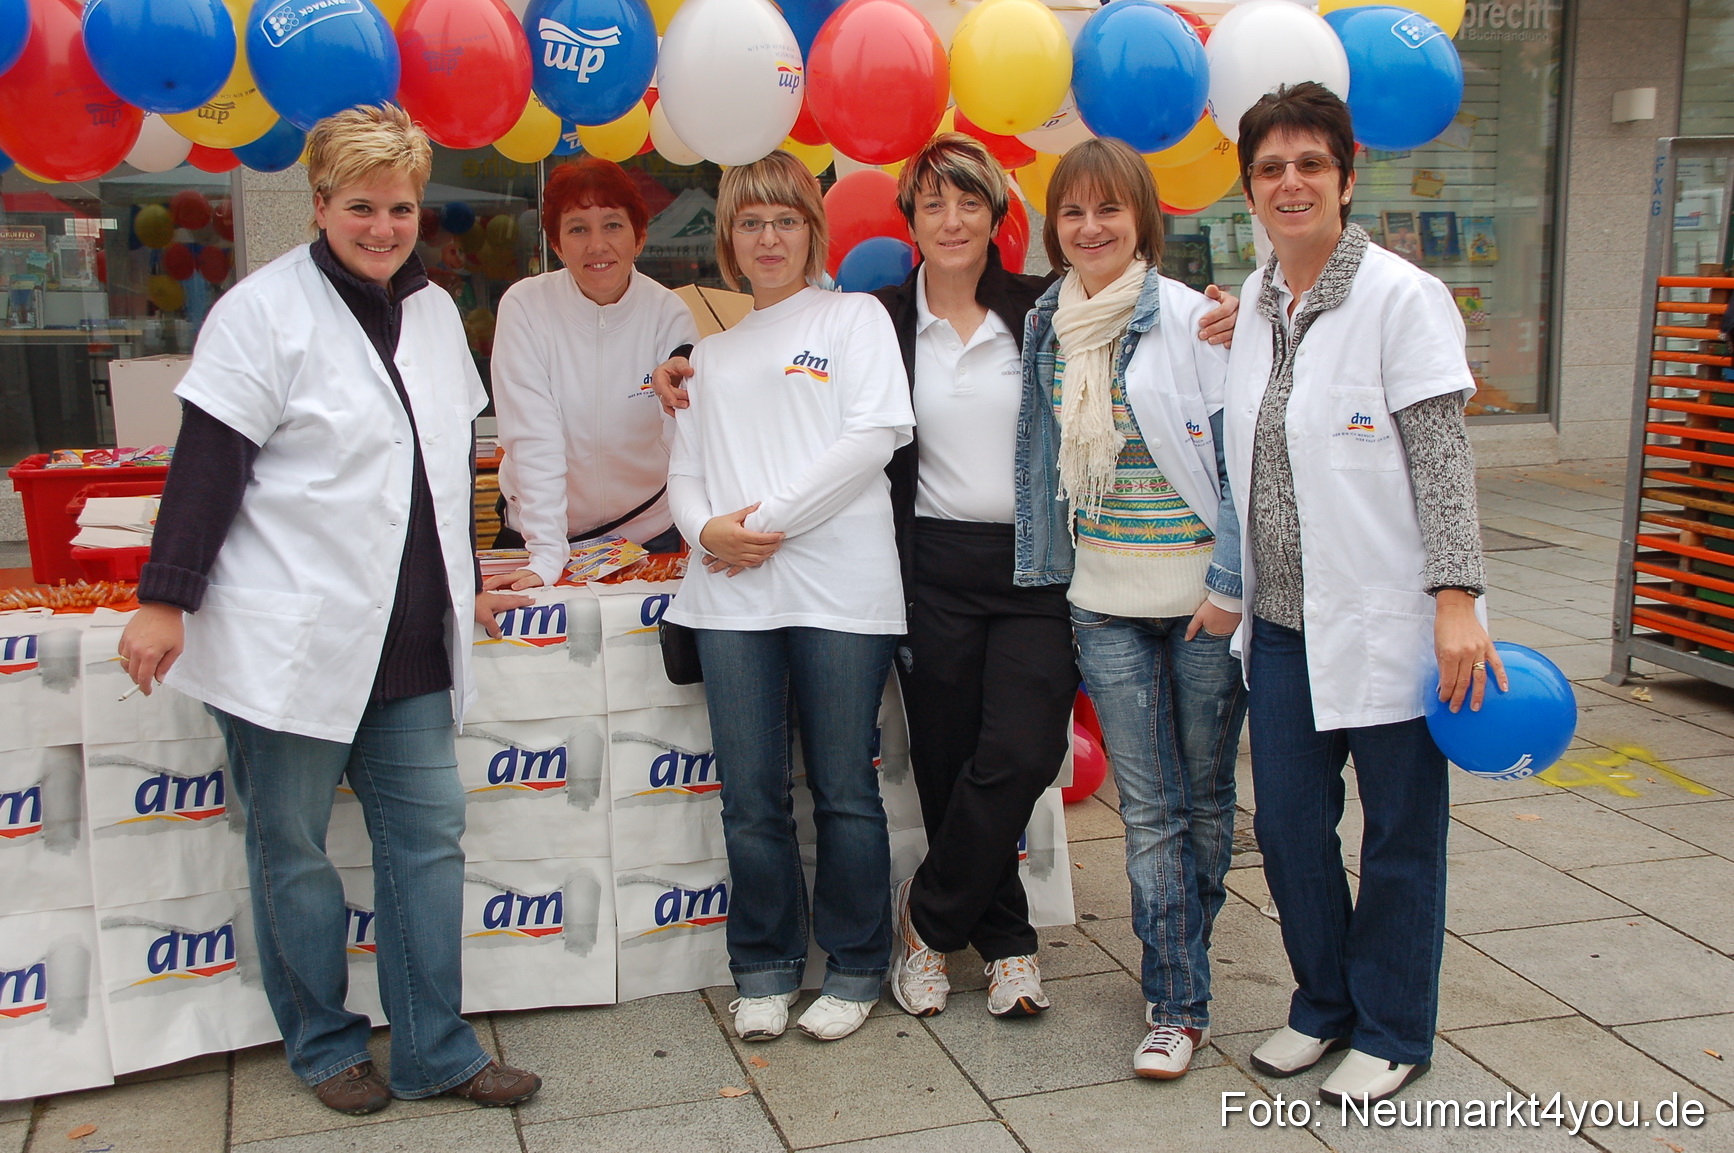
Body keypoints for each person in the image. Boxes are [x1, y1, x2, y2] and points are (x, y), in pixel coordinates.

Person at [651, 137, 1241, 1024]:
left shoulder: (1044, 310)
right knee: (945, 758)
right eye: (933, 205)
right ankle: (1005, 946)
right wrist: (683, 367)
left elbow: (1138, 311)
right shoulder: (876, 317)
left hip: (1036, 564)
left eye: (970, 202)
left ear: (1000, 215)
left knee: (1022, 753)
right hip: (929, 564)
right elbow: (777, 366)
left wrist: (1231, 316)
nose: (953, 219)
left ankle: (925, 917)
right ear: (911, 222)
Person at [115, 105, 541, 1115]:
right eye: (361, 207)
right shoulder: (260, 313)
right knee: (293, 850)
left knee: (428, 842)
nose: (384, 226)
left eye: (399, 207)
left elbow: (444, 466)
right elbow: (207, 468)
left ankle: (436, 1045)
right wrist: (164, 601)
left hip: (408, 643)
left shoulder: (437, 313)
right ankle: (322, 1041)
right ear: (319, 204)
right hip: (288, 642)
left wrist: (478, 570)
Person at [1223, 82, 1504, 1105]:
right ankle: (1323, 1003)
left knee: (1398, 833)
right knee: (1294, 830)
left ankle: (1391, 1025)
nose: (1289, 183)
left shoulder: (1400, 296)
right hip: (1286, 627)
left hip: (1391, 618)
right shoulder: (1256, 307)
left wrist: (1457, 596)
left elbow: (1441, 459)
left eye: (1310, 164)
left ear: (1347, 176)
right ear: (1249, 189)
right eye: (1269, 168)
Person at [663, 150, 914, 1044]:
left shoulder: (854, 320)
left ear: (813, 229)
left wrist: (756, 524)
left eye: (785, 219)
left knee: (846, 786)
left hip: (842, 595)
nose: (768, 237)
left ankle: (853, 965)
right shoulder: (708, 356)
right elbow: (684, 472)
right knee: (752, 794)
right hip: (731, 602)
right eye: (750, 222)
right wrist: (703, 534)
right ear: (729, 238)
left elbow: (872, 437)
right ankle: (764, 965)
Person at [1015, 137, 1246, 1080]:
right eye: (1072, 212)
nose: (1091, 227)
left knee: (1207, 804)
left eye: (1109, 209)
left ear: (1142, 218)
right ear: (1055, 228)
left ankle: (1175, 936)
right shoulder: (1049, 324)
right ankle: (1176, 999)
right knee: (1150, 806)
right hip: (1103, 597)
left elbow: (1236, 470)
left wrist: (1230, 587)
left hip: (1199, 602)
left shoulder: (1197, 321)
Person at [485, 157, 701, 591]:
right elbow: (533, 437)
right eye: (578, 228)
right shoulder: (525, 307)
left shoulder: (667, 313)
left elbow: (687, 439)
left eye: (613, 225)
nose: (597, 244)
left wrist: (700, 529)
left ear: (639, 237)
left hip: (648, 535)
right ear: (558, 245)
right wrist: (547, 552)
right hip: (538, 539)